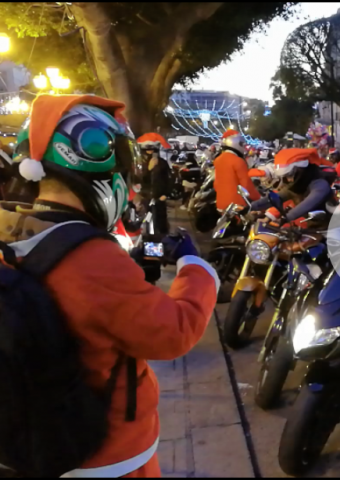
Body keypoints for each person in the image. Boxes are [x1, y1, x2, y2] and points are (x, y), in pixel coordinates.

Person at [2, 94, 220, 477]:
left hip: (32, 430)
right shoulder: (91, 257)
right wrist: (195, 265)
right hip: (107, 450)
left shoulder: (15, 233)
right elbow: (173, 331)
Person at [250, 148, 335, 225]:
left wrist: (285, 218)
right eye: (286, 176)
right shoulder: (299, 185)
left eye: (290, 175)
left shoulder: (319, 184)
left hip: (328, 228)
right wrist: (250, 207)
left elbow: (309, 203)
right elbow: (276, 198)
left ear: (300, 170)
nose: (289, 180)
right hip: (311, 227)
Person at [213, 129, 260, 210]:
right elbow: (246, 186)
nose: (244, 148)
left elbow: (216, 184)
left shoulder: (218, 159)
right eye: (242, 144)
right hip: (237, 206)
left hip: (221, 203)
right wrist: (259, 199)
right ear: (236, 143)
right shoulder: (238, 161)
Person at [136, 133, 171, 234]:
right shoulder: (139, 163)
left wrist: (166, 194)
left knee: (160, 222)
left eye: (153, 149)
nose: (150, 151)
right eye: (148, 149)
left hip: (159, 197)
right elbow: (137, 179)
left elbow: (168, 179)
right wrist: (148, 169)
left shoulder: (162, 163)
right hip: (144, 197)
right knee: (146, 220)